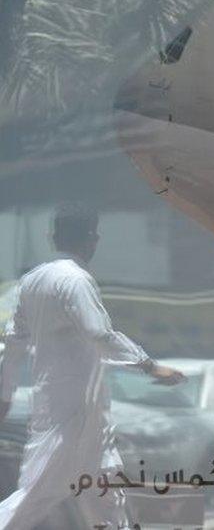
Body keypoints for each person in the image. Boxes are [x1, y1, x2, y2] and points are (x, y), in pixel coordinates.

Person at [0, 203, 184, 530]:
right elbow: (99, 333)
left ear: (52, 237)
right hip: (71, 416)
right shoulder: (75, 280)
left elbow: (12, 345)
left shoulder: (31, 282)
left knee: (105, 493)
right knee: (32, 499)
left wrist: (4, 396)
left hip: (75, 413)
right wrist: (151, 367)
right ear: (92, 239)